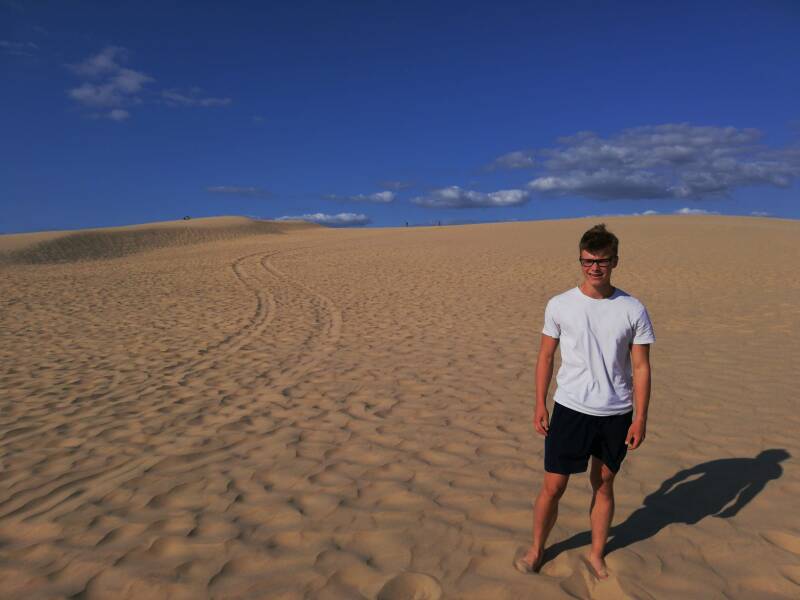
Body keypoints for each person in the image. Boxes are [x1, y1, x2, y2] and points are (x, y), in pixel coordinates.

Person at [514, 223, 655, 579]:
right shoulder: (560, 305)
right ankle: (536, 550)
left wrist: (640, 418)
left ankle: (596, 554)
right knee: (554, 486)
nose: (595, 268)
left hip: (616, 413)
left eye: (602, 261)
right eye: (588, 261)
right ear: (580, 261)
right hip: (570, 409)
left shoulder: (633, 309)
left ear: (615, 261)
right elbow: (545, 356)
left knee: (604, 483)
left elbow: (641, 367)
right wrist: (540, 403)